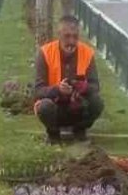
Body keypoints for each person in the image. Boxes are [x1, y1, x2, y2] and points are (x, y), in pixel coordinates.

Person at [34, 14, 104, 144]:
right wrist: (58, 89)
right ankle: (53, 135)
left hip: (78, 107)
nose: (71, 41)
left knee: (97, 102)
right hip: (55, 107)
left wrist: (83, 87)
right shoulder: (45, 53)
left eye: (75, 37)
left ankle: (80, 130)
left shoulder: (87, 53)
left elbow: (96, 86)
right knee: (44, 106)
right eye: (67, 36)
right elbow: (38, 90)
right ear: (59, 34)